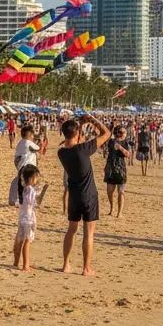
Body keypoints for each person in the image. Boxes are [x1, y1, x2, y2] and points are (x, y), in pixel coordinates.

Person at [58, 114, 111, 275]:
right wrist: (92, 119)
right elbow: (106, 133)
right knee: (89, 233)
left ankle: (66, 264)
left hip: (74, 195)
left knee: (71, 230)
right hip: (88, 195)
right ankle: (86, 268)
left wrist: (79, 127)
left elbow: (73, 142)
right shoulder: (83, 149)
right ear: (77, 134)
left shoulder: (62, 153)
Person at [13, 164, 41, 272]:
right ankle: (25, 265)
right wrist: (38, 196)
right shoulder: (30, 189)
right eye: (36, 177)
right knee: (27, 241)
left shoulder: (24, 189)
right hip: (28, 218)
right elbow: (32, 202)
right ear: (31, 178)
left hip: (23, 217)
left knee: (19, 240)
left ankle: (16, 262)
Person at [13, 125, 43, 205]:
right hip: (29, 166)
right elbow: (38, 148)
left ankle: (21, 200)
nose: (33, 137)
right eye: (33, 135)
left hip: (20, 167)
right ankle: (35, 197)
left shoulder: (20, 143)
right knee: (34, 181)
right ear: (30, 135)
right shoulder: (28, 143)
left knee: (21, 184)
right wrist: (40, 142)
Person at [103, 126, 129, 218]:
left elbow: (128, 154)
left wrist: (120, 148)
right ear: (120, 133)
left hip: (121, 168)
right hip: (111, 168)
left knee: (121, 192)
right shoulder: (111, 141)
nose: (126, 134)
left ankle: (119, 212)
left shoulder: (125, 142)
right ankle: (111, 208)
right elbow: (109, 148)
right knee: (110, 191)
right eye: (124, 132)